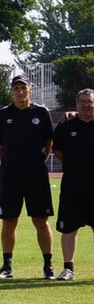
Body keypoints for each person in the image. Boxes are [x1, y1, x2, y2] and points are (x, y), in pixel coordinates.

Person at [0, 74, 56, 279]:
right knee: (9, 221)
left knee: (41, 220)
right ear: (12, 91)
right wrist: (8, 163)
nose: (20, 92)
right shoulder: (3, 114)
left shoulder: (41, 112)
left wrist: (38, 162)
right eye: (16, 88)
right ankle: (7, 267)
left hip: (36, 176)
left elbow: (49, 143)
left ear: (30, 90)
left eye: (23, 88)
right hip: (10, 176)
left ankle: (48, 266)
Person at [52, 88, 94, 281]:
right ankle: (68, 268)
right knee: (69, 229)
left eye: (90, 101)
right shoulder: (66, 126)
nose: (86, 104)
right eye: (83, 101)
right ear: (76, 104)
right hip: (72, 186)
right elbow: (58, 151)